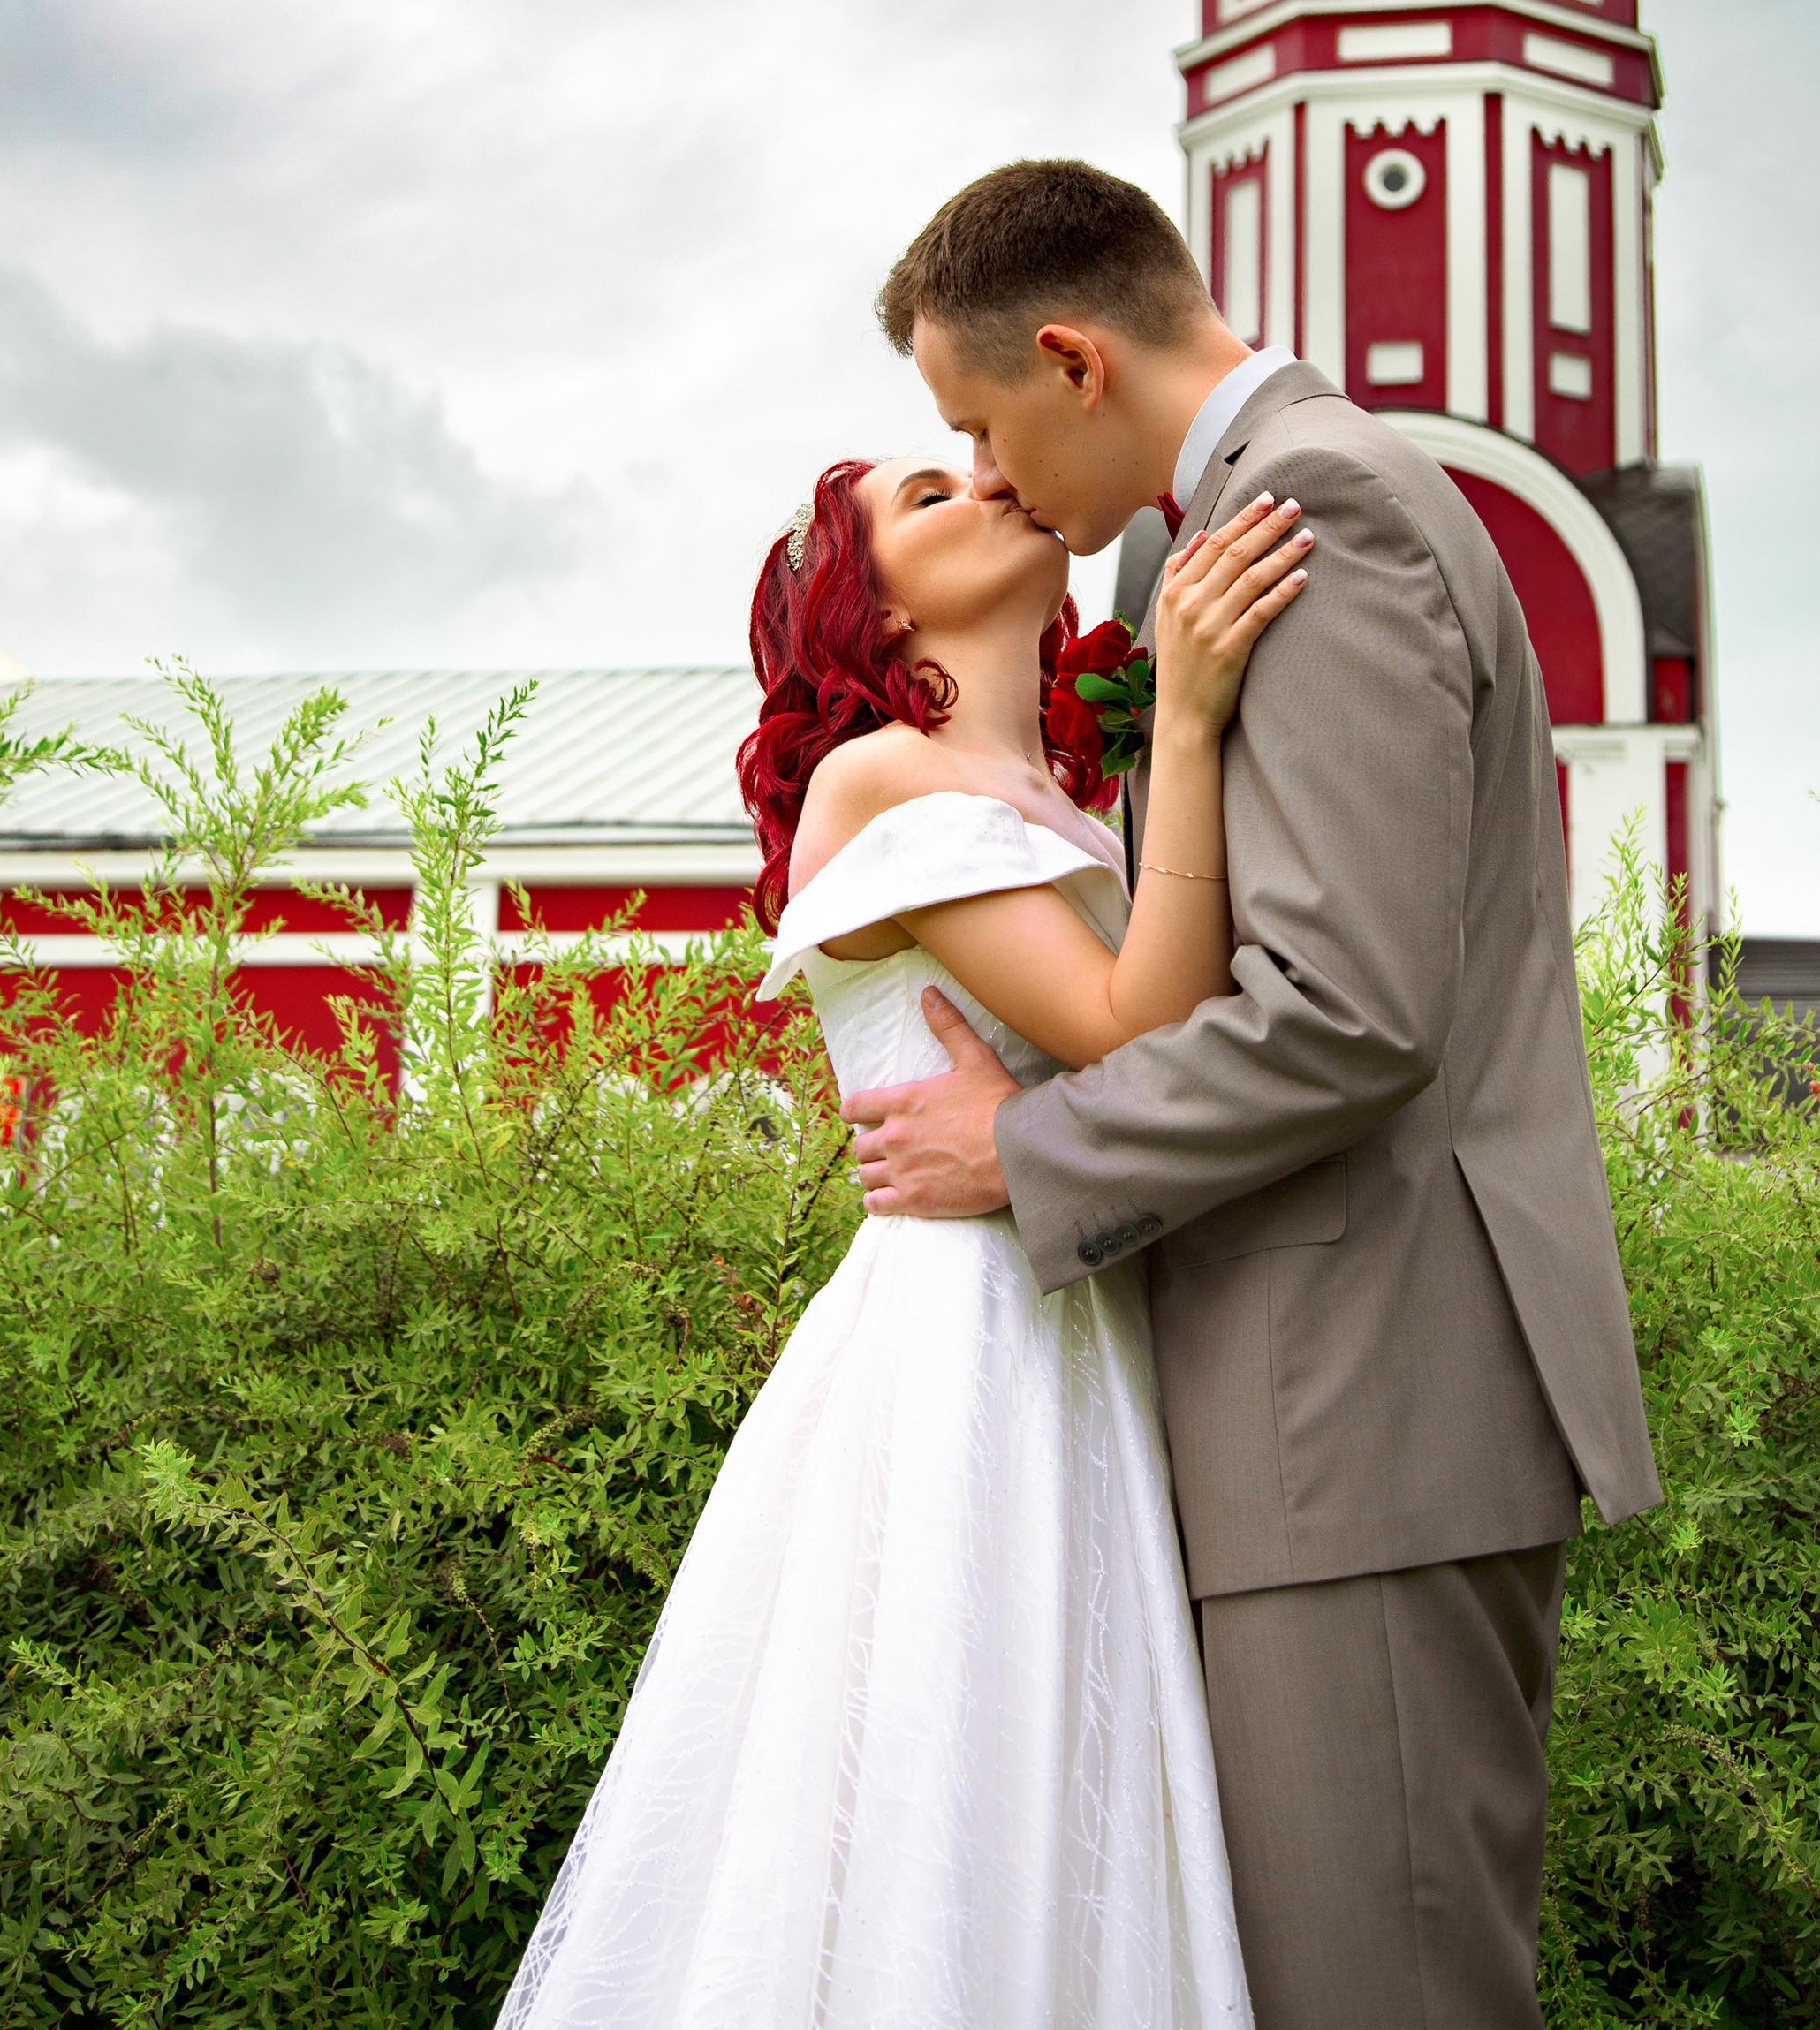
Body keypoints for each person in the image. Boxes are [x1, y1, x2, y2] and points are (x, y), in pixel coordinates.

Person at [847, 157, 1663, 2030]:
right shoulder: (1207, 530)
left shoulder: (1318, 502)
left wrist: (1020, 1148)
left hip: (1359, 1401)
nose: (985, 477)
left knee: (1377, 1998)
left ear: (1067, 359)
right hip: (1307, 1406)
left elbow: (1353, 1009)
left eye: (976, 425)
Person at [492, 443, 1310, 2030]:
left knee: (1071, 1788)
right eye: (930, 502)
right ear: (871, 615)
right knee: (942, 1787)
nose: (990, 485)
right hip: (962, 1356)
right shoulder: (876, 778)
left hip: (1092, 1339)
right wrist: (1198, 715)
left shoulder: (1072, 799)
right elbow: (1142, 1020)